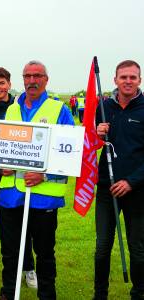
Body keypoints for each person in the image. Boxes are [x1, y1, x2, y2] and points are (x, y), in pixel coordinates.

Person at [0, 60, 74, 300]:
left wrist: (45, 174)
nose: (32, 80)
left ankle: (47, 295)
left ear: (46, 79)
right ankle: (8, 292)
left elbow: (70, 152)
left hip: (43, 197)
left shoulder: (58, 109)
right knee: (10, 251)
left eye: (37, 76)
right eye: (27, 76)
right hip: (11, 195)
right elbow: (3, 148)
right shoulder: (11, 108)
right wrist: (2, 166)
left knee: (44, 252)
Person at [0, 67, 38, 289]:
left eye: (2, 83)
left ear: (9, 84)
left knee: (22, 227)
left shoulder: (19, 108)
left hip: (16, 181)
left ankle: (28, 268)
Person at [94, 60, 144, 300]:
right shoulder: (104, 107)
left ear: (139, 80)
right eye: (123, 77)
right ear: (114, 80)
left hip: (138, 190)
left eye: (132, 77)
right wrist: (98, 132)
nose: (128, 81)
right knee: (102, 246)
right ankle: (100, 294)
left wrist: (132, 181)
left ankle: (139, 293)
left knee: (138, 249)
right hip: (107, 186)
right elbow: (96, 143)